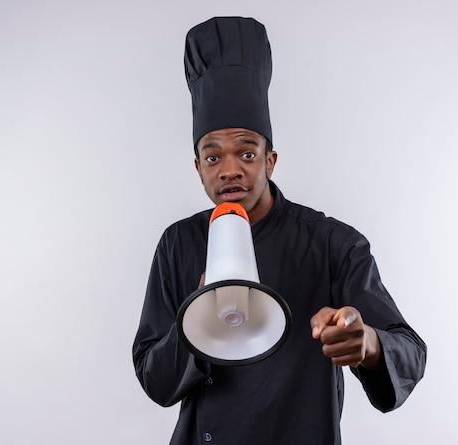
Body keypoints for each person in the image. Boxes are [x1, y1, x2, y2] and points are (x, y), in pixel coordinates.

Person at [133, 17, 426, 444]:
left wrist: (367, 343)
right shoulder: (178, 244)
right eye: (213, 158)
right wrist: (193, 322)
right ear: (198, 168)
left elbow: (411, 352)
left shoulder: (333, 244)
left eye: (247, 152)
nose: (230, 170)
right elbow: (154, 380)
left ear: (270, 160)